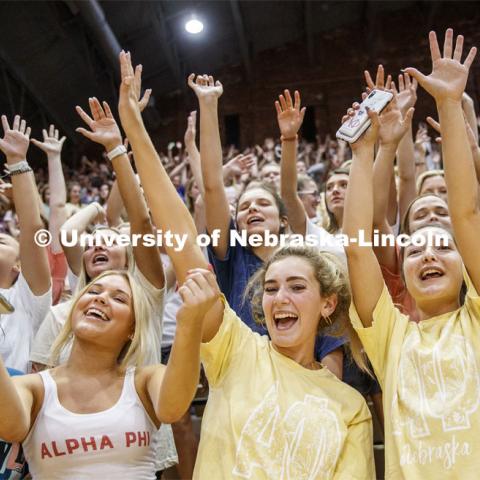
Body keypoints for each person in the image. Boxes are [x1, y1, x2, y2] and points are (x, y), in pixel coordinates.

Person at [118, 52, 375, 480]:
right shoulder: (236, 351)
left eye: (296, 286)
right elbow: (181, 235)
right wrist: (134, 131)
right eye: (271, 288)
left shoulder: (349, 407)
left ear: (328, 303)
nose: (279, 298)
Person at [344, 28, 480, 478]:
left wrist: (447, 104)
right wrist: (364, 154)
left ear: (466, 267)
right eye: (415, 248)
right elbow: (358, 247)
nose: (428, 254)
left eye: (443, 246)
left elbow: (465, 212)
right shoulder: (390, 336)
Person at [188, 74, 345, 376]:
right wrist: (209, 107)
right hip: (243, 381)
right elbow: (211, 187)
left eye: (262, 204)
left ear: (284, 220)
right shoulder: (230, 254)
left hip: (303, 382)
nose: (251, 209)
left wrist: (330, 395)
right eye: (244, 207)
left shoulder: (305, 256)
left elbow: (329, 339)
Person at [0, 115, 52, 373]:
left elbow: (32, 229)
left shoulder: (25, 297)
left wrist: (17, 162)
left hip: (13, 403)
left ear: (18, 267)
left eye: (2, 240)